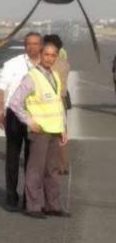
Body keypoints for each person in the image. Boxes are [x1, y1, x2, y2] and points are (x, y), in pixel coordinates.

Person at [8, 43, 70, 219]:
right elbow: (15, 102)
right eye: (46, 55)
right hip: (40, 131)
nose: (49, 58)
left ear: (56, 57)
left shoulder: (55, 76)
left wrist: (63, 129)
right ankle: (33, 206)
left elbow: (59, 104)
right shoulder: (32, 77)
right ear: (41, 55)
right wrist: (29, 121)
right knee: (35, 169)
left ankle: (52, 205)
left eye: (53, 55)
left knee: (52, 170)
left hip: (55, 131)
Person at [0, 32, 42, 212]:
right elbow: (1, 88)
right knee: (12, 158)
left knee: (32, 161)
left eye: (36, 43)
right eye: (29, 44)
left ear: (41, 45)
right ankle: (11, 196)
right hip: (14, 115)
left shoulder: (47, 65)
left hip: (35, 117)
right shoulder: (12, 64)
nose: (32, 47)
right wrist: (0, 111)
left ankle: (28, 199)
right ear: (25, 46)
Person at [43, 34, 71, 175]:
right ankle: (63, 165)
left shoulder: (50, 63)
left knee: (45, 134)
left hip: (50, 102)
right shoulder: (64, 63)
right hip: (62, 101)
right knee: (62, 133)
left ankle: (50, 164)